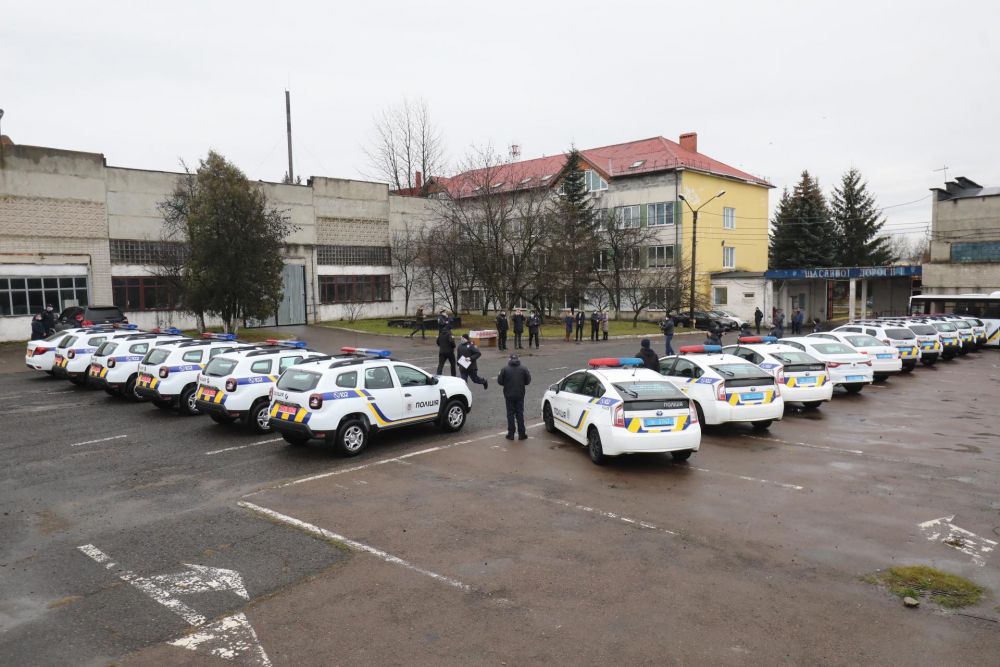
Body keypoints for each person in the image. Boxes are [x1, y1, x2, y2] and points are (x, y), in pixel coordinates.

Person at [497, 353, 531, 441]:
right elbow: (528, 381)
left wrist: (506, 383)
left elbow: (500, 381)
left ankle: (511, 434)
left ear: (509, 359)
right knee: (520, 413)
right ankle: (522, 434)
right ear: (518, 359)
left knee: (510, 414)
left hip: (508, 394)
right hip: (520, 394)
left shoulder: (504, 369)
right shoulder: (524, 368)